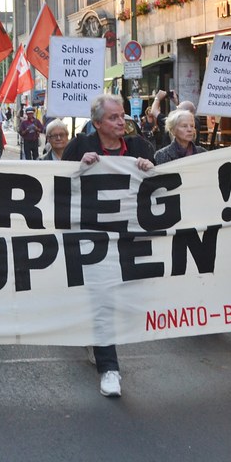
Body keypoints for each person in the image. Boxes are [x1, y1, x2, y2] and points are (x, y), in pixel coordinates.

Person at [61, 93, 155, 398]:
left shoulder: (140, 147)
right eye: (113, 117)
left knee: (121, 299)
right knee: (102, 299)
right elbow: (56, 187)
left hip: (130, 239)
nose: (121, 121)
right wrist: (79, 168)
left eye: (122, 115)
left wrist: (150, 169)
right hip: (93, 240)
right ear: (97, 123)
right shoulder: (80, 146)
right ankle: (109, 368)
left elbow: (161, 188)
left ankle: (97, 336)